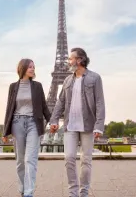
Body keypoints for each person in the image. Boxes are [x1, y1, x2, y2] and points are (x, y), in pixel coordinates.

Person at [49, 47, 105, 197]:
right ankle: (73, 192)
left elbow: (99, 102)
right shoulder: (67, 79)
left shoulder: (95, 78)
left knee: (86, 161)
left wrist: (99, 126)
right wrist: (54, 120)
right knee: (69, 158)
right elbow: (60, 102)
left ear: (79, 60)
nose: (68, 61)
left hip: (88, 125)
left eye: (71, 58)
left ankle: (84, 192)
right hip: (70, 126)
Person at [2, 58, 51, 197]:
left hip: (33, 124)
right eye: (30, 67)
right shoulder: (13, 86)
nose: (32, 69)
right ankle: (23, 189)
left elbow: (44, 106)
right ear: (22, 68)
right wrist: (5, 131)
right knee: (20, 161)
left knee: (30, 159)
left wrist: (52, 120)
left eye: (34, 67)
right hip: (17, 123)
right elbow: (9, 109)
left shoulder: (37, 86)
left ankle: (29, 192)